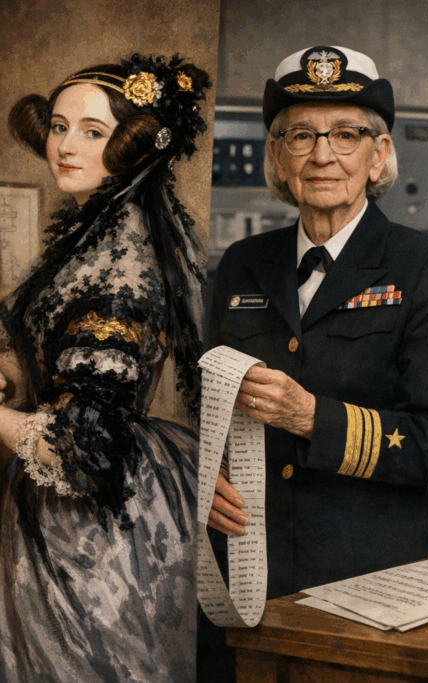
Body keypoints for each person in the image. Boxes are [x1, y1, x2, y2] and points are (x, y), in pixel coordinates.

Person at [201, 45, 428, 679]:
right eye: (302, 135)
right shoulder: (241, 264)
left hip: (370, 587)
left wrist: (309, 417)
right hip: (248, 578)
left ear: (378, 155)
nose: (323, 155)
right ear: (277, 155)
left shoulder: (426, 267)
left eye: (346, 134)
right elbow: (203, 396)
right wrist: (200, 469)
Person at [0, 54, 210, 681]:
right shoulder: (99, 223)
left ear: (133, 147)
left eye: (93, 132)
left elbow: (80, 449)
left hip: (95, 522)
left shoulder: (122, 265)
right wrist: (14, 372)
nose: (65, 146)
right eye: (59, 126)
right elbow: (61, 349)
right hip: (70, 494)